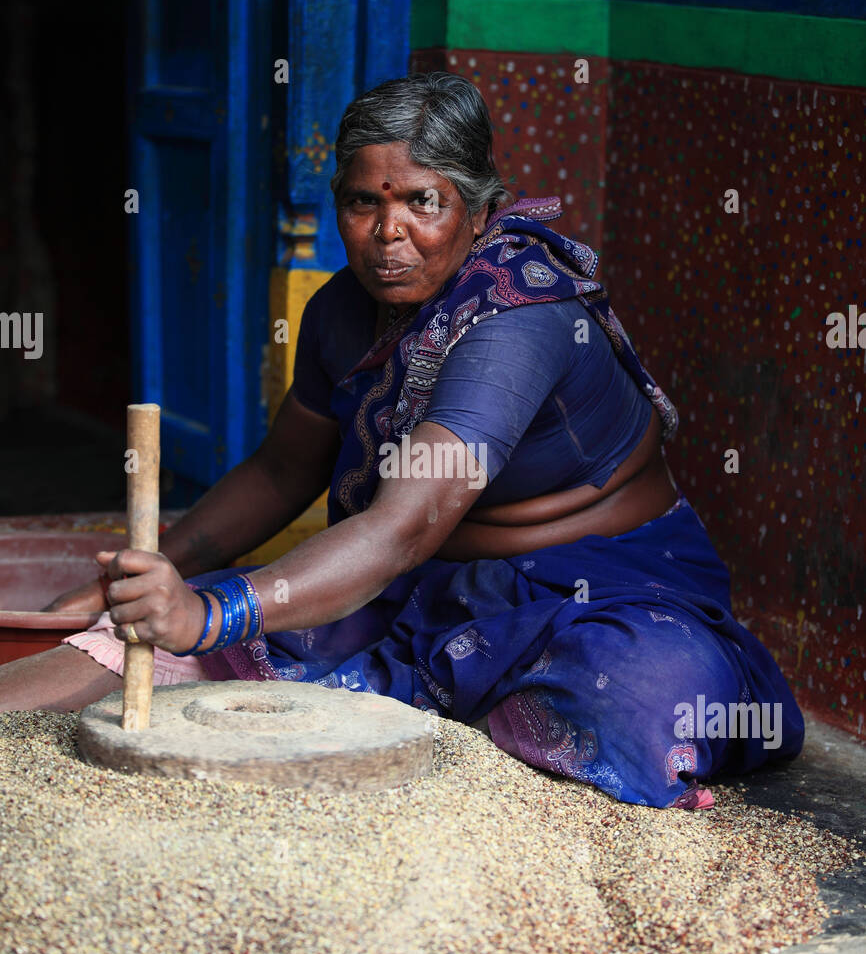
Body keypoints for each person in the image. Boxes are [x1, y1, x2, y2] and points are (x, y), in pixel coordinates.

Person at [0, 72, 804, 808]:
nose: (390, 233)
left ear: (480, 212)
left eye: (423, 201)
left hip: (594, 594)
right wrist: (157, 581)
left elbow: (401, 527)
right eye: (363, 203)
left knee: (633, 697)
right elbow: (284, 470)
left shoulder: (519, 319)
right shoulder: (341, 312)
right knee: (130, 641)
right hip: (417, 587)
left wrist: (209, 615)